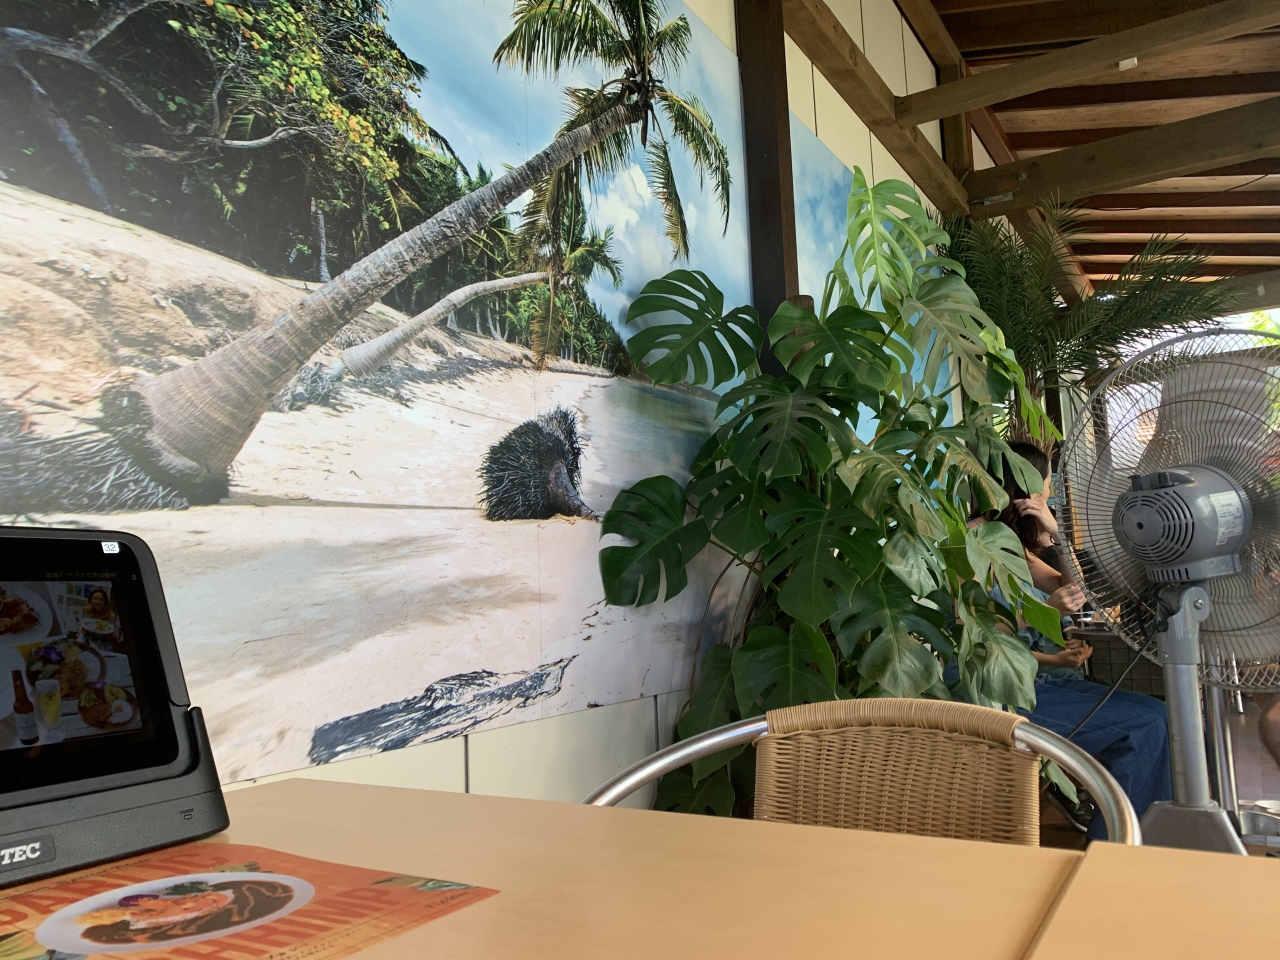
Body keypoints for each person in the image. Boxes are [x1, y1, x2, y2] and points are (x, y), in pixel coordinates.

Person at [997, 441, 1173, 841]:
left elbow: (1077, 590)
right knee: (1143, 725)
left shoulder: (1015, 548)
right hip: (999, 692)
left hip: (1034, 682)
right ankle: (1116, 850)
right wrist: (1046, 612)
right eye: (1044, 490)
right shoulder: (975, 542)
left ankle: (1138, 838)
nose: (1047, 498)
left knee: (1158, 712)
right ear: (1023, 491)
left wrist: (1057, 533)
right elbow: (977, 637)